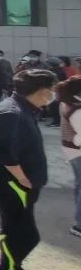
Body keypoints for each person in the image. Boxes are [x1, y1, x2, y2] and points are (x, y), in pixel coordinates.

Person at [0, 69, 61, 270]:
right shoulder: (12, 113)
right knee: (25, 235)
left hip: (19, 184)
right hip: (12, 185)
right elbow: (2, 148)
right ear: (41, 91)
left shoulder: (23, 108)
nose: (52, 95)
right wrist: (22, 178)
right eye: (50, 90)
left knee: (16, 231)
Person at [54, 76, 81, 239]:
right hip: (77, 149)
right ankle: (79, 225)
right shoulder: (76, 109)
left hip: (70, 150)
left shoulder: (66, 102)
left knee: (79, 184)